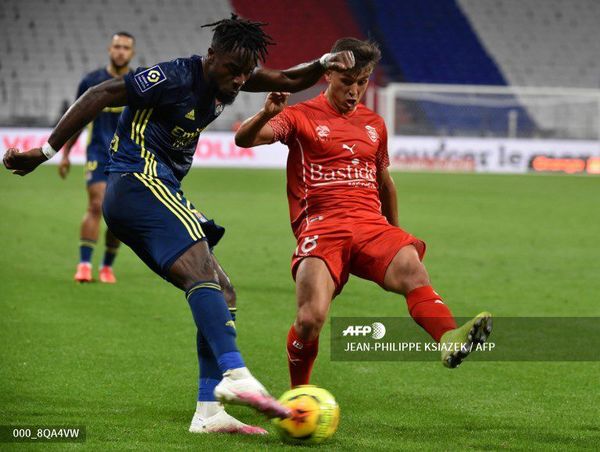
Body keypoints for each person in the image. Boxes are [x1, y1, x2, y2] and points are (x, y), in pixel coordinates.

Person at [3, 15, 355, 433]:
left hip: (158, 187)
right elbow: (101, 93)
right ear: (211, 57)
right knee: (203, 273)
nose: (240, 80)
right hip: (137, 180)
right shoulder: (172, 77)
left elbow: (291, 79)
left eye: (245, 73)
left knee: (222, 292)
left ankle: (209, 412)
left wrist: (326, 60)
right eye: (232, 70)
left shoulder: (232, 77)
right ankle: (236, 375)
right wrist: (45, 151)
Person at [234, 37, 493, 389]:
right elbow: (245, 140)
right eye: (347, 83)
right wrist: (266, 113)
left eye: (362, 82)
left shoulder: (375, 124)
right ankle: (299, 395)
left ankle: (448, 338)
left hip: (370, 226)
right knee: (310, 319)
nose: (354, 91)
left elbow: (384, 182)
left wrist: (395, 235)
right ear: (329, 76)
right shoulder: (299, 116)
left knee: (413, 271)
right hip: (322, 228)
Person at [58, 32, 136, 283]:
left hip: (128, 158)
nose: (121, 51)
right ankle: (84, 265)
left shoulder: (139, 82)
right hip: (98, 154)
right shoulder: (91, 82)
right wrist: (66, 154)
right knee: (95, 205)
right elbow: (77, 119)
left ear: (132, 53)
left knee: (119, 215)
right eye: (117, 46)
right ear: (109, 49)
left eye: (125, 47)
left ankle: (106, 267)